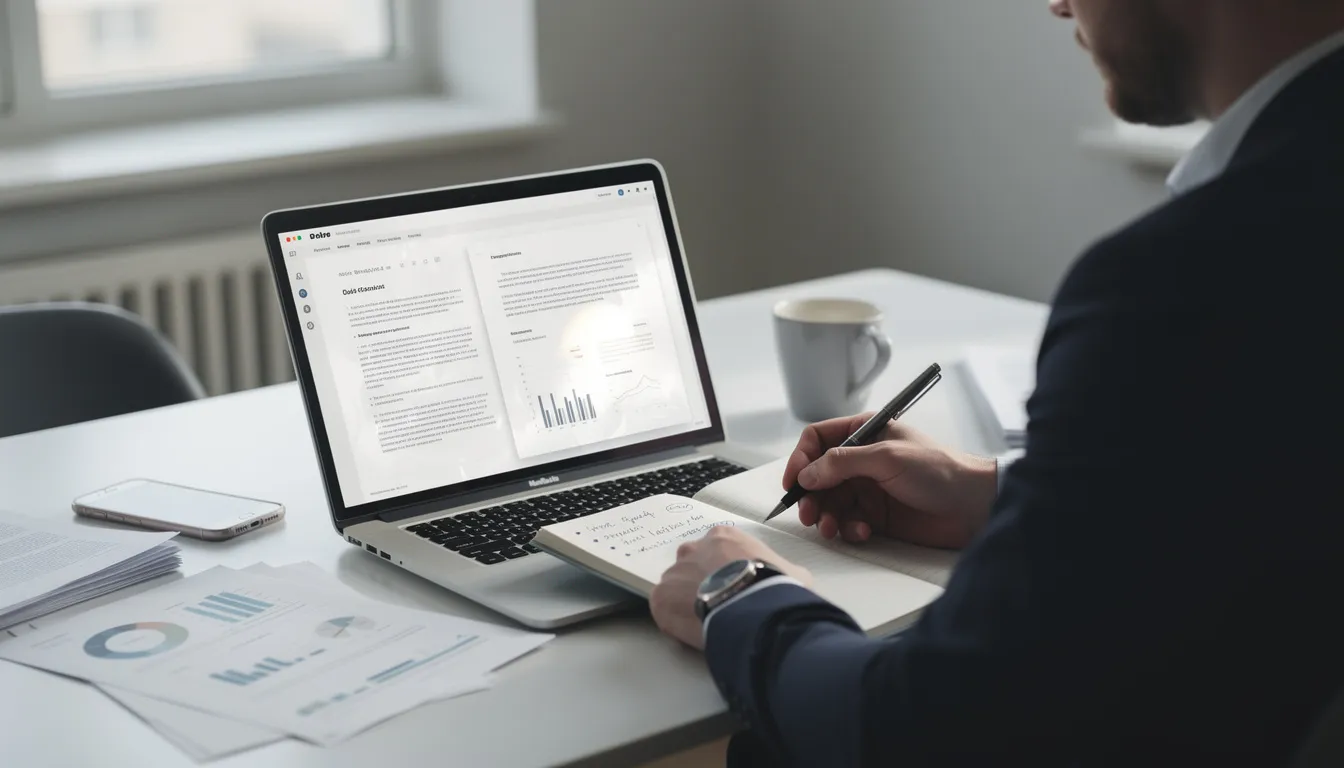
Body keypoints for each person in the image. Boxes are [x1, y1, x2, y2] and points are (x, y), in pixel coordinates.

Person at [649, 0, 1344, 764]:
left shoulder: (1185, 283)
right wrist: (998, 491)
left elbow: (923, 732)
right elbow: (1281, 488)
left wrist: (743, 595)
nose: (1055, 3)